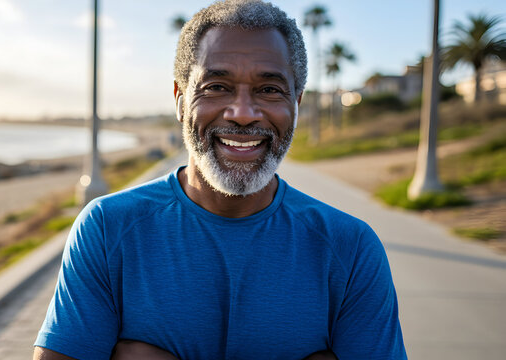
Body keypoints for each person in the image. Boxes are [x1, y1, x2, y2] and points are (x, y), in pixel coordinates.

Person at [33, 1, 407, 359]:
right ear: (180, 99)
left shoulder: (350, 248)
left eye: (269, 89)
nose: (243, 114)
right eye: (216, 87)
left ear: (296, 103)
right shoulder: (107, 229)